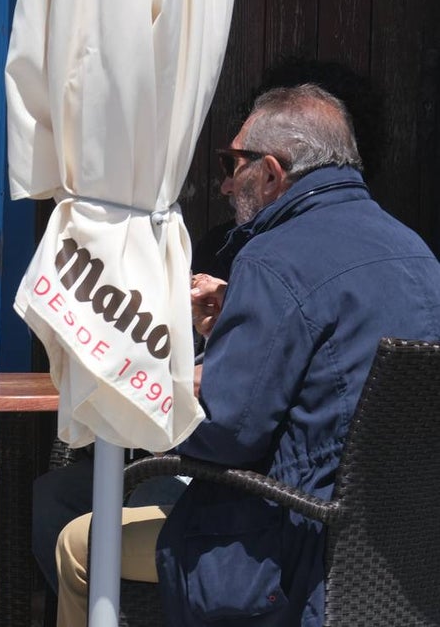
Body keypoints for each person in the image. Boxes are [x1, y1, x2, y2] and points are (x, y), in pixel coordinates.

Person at [53, 83, 440, 626]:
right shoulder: (416, 253)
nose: (225, 182)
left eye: (234, 163)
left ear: (274, 172)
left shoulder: (274, 258)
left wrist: (163, 382)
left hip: (284, 556)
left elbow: (228, 432)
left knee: (80, 542)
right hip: (400, 553)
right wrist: (233, 327)